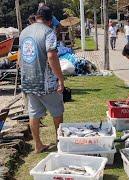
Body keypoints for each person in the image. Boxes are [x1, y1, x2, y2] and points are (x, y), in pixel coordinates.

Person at [19, 5, 64, 153]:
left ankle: (38, 145)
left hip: (28, 81)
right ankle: (60, 143)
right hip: (46, 82)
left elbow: (20, 57)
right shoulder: (48, 32)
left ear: (37, 16)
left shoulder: (24, 32)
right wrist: (60, 79)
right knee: (57, 111)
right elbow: (51, 56)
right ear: (50, 20)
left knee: (34, 113)